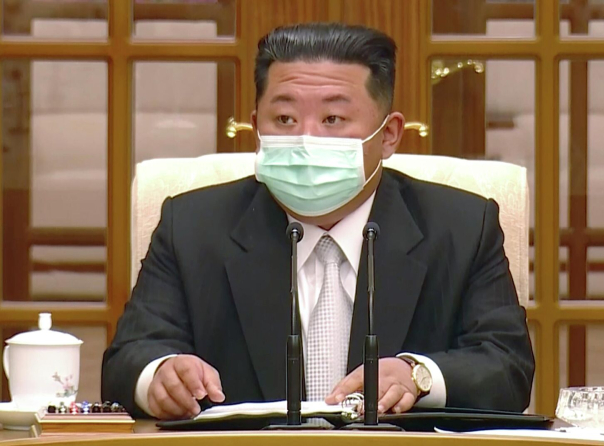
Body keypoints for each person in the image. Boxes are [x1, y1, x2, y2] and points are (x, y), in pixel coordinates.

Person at [102, 22, 534, 420]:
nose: (306, 140)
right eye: (284, 119)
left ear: (388, 135)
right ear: (256, 129)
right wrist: (159, 376)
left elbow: (507, 368)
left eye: (333, 119)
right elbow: (127, 362)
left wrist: (417, 377)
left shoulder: (462, 227)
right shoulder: (192, 227)